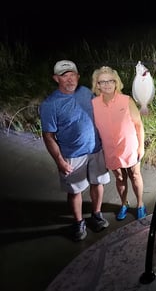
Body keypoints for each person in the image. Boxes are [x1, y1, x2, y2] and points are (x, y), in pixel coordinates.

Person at [39, 60, 111, 242]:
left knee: (98, 183)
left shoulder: (86, 92)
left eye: (72, 75)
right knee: (75, 191)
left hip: (96, 149)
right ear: (56, 79)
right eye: (64, 76)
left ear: (78, 76)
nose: (70, 80)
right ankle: (78, 223)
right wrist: (60, 161)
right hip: (72, 154)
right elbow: (48, 136)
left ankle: (96, 214)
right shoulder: (50, 104)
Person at [91, 66, 147, 220]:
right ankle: (124, 204)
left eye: (110, 81)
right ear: (97, 85)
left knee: (135, 175)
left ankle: (140, 204)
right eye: (102, 82)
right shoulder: (94, 104)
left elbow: (138, 124)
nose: (107, 84)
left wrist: (141, 147)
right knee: (120, 179)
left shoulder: (126, 100)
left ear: (116, 83)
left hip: (129, 147)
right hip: (110, 149)